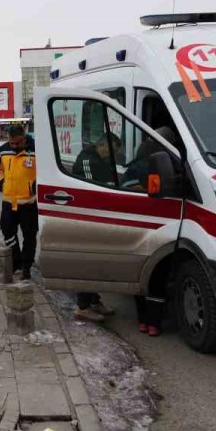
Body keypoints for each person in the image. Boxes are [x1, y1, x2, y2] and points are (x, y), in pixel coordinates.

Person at [120, 126, 180, 336]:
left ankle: (143, 322)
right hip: (159, 225)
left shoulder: (136, 163)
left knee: (140, 275)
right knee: (158, 276)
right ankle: (153, 323)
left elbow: (126, 188)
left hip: (135, 226)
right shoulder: (167, 162)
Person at [71, 132, 124, 322]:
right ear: (101, 146)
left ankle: (94, 300)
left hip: (99, 216)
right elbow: (91, 190)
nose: (112, 156)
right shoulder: (87, 160)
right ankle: (82, 307)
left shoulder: (101, 160)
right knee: (87, 263)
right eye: (111, 151)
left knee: (96, 263)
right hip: (87, 217)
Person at [0, 125, 38, 281]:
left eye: (17, 143)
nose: (13, 146)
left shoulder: (35, 151)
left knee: (30, 236)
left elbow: (44, 172)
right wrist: (2, 183)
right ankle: (16, 260)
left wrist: (35, 187)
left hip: (29, 202)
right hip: (8, 201)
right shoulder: (3, 150)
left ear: (24, 138)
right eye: (11, 143)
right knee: (7, 231)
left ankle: (26, 266)